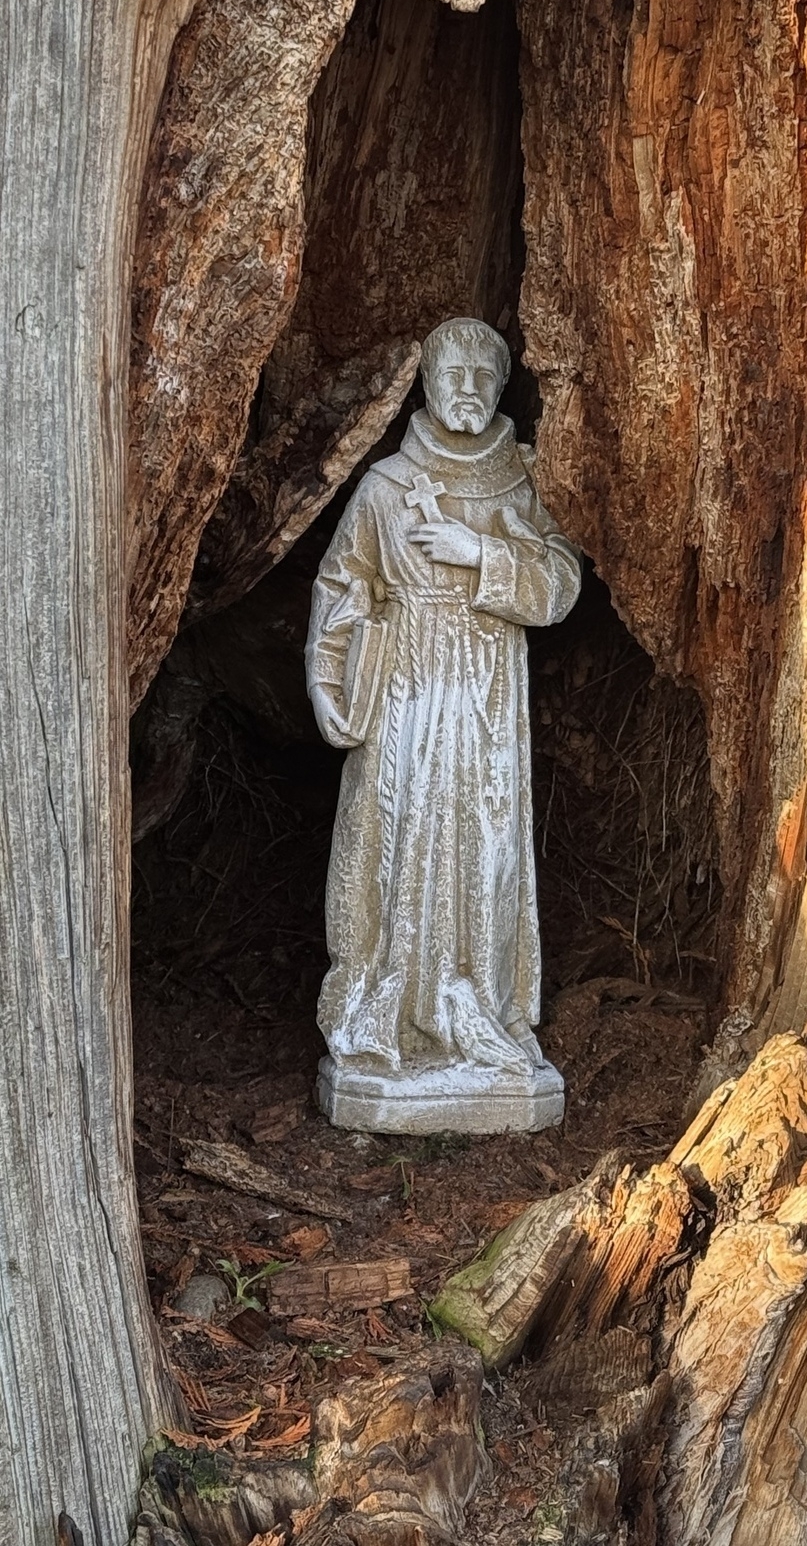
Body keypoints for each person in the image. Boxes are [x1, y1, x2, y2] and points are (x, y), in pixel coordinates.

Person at [305, 317, 581, 1131]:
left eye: (480, 377)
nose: (465, 388)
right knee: (396, 846)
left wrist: (480, 553)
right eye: (450, 373)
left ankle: (478, 1018)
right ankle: (386, 1019)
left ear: (499, 389)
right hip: (404, 698)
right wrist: (330, 682)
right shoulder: (388, 484)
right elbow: (341, 583)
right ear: (426, 386)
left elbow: (561, 583)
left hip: (488, 700)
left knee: (484, 850)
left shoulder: (522, 486)